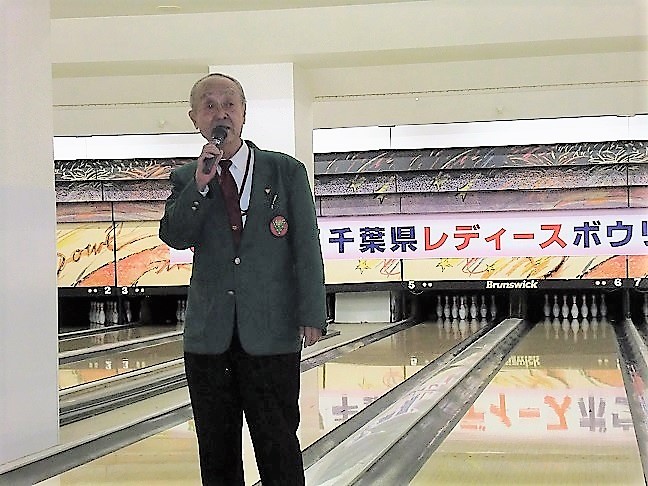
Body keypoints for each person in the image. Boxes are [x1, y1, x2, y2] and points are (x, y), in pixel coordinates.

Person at [159, 73, 327, 485]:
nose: (221, 113)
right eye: (209, 106)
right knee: (216, 450)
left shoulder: (285, 171)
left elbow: (306, 245)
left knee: (278, 445)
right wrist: (200, 185)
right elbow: (175, 235)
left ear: (244, 113)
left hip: (271, 332)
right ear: (195, 118)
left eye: (229, 104)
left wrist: (312, 313)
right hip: (209, 336)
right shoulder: (187, 178)